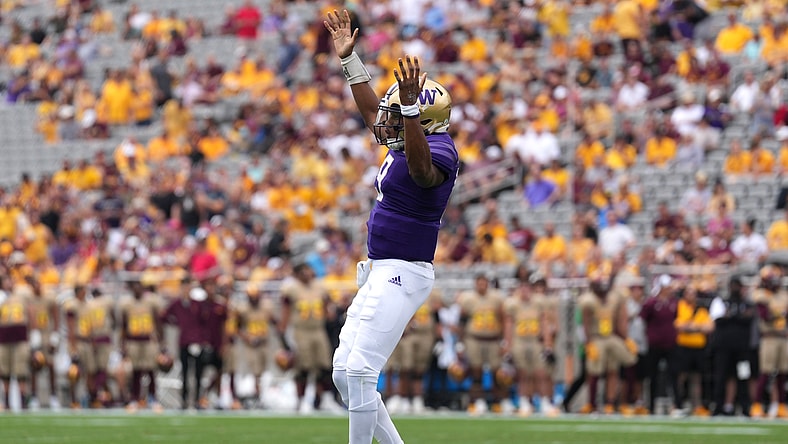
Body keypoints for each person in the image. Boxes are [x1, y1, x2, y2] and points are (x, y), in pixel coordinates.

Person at [324, 10, 459, 444]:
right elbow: (374, 115)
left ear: (422, 117)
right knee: (343, 372)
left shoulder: (440, 150)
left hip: (404, 269)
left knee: (361, 371)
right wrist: (349, 60)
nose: (388, 122)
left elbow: (421, 171)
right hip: (381, 268)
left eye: (399, 115)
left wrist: (410, 111)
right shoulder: (406, 136)